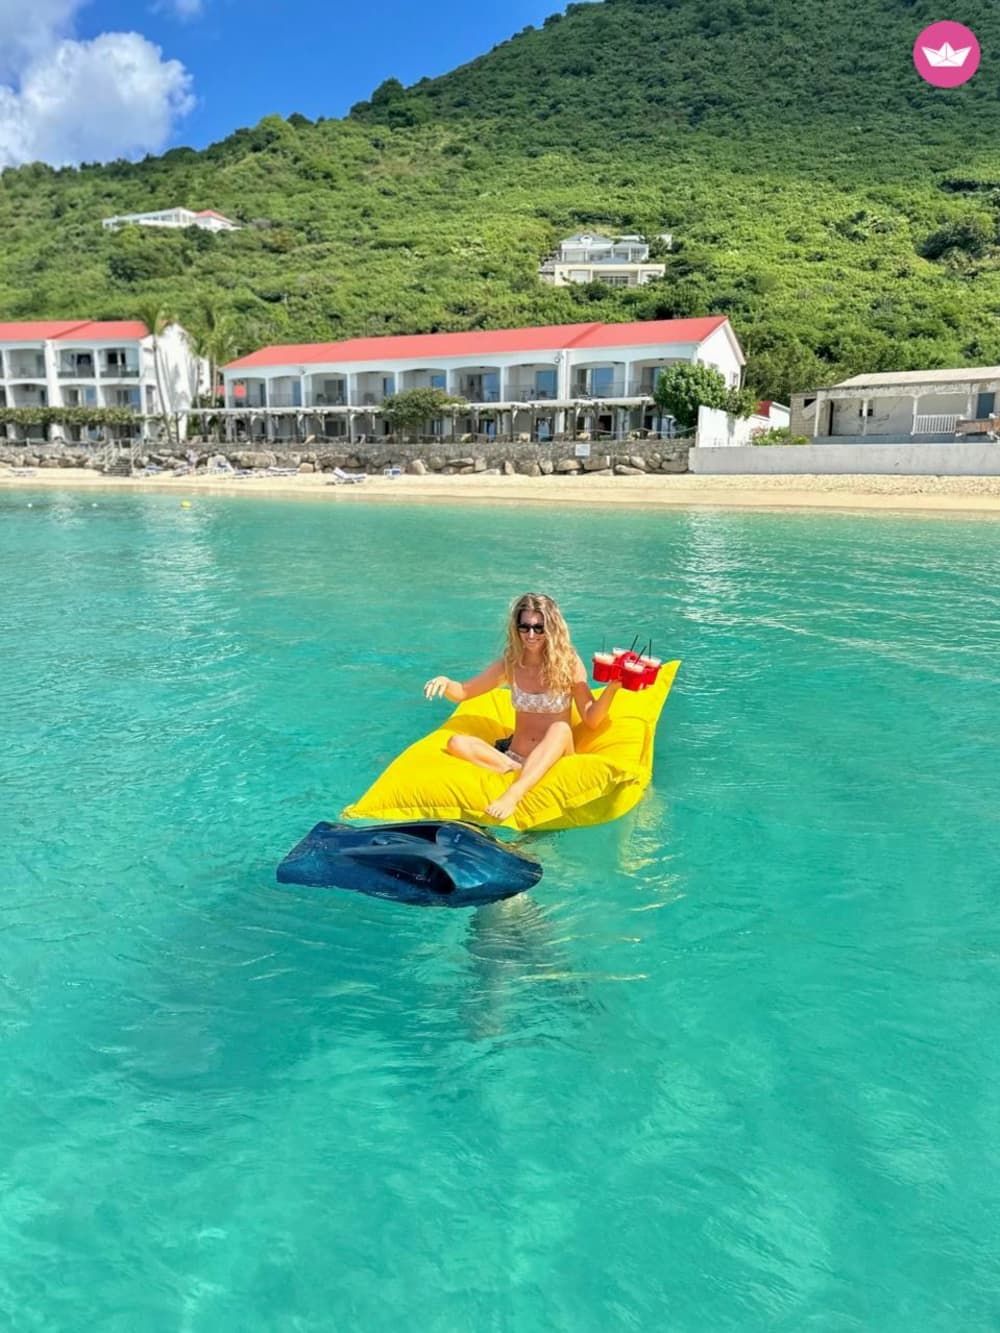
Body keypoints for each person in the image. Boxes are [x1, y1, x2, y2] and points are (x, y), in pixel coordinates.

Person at [423, 592, 621, 821]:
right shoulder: (511, 664)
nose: (531, 634)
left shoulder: (568, 663)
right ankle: (520, 773)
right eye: (524, 627)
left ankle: (514, 793)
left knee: (560, 729)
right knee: (456, 742)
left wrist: (613, 688)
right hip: (513, 758)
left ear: (552, 628)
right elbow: (465, 692)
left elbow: (591, 717)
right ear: (516, 628)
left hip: (557, 759)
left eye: (539, 628)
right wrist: (446, 683)